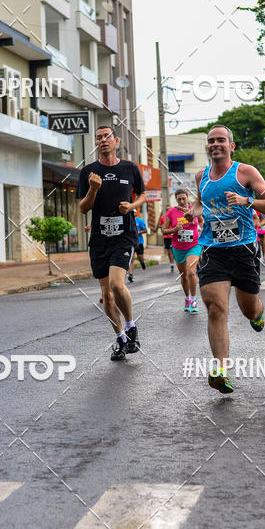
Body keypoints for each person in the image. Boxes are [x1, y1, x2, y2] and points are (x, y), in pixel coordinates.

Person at [186, 125, 265, 394]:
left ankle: (258, 314)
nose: (215, 144)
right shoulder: (201, 175)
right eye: (211, 141)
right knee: (216, 308)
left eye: (221, 141)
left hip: (243, 251)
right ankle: (221, 370)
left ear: (231, 145)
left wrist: (245, 201)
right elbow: (199, 202)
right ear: (207, 146)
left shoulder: (245, 172)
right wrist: (194, 212)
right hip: (213, 251)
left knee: (248, 310)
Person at [77, 125, 147, 361]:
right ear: (95, 143)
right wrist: (94, 190)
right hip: (99, 238)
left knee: (117, 285)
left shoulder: (130, 168)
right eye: (98, 138)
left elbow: (143, 195)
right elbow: (83, 208)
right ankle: (120, 338)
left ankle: (131, 326)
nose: (103, 140)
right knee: (107, 295)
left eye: (107, 137)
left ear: (116, 141)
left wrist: (132, 206)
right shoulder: (88, 172)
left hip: (124, 234)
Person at [162, 187, 203, 313]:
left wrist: (200, 230)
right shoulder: (171, 212)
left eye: (183, 198)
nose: (181, 201)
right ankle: (187, 298)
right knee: (184, 275)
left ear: (187, 197)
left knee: (191, 272)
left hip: (194, 245)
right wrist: (174, 230)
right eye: (178, 199)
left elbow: (202, 221)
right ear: (175, 199)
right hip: (178, 247)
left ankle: (194, 300)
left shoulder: (194, 209)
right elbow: (164, 230)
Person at [128, 212, 148, 282]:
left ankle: (142, 262)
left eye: (134, 212)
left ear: (136, 213)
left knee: (140, 257)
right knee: (131, 258)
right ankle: (130, 275)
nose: (133, 213)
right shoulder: (127, 220)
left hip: (139, 242)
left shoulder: (140, 221)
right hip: (130, 243)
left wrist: (138, 232)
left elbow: (145, 230)